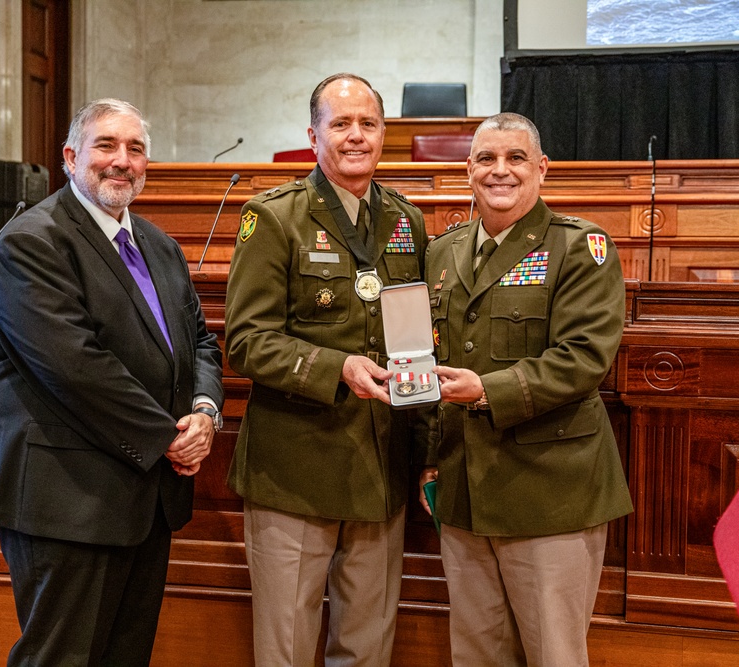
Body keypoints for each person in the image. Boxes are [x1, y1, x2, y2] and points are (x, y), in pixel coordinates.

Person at [0, 98, 225, 666]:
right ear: (71, 156)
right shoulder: (34, 241)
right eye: (106, 145)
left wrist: (205, 411)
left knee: (125, 655)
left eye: (135, 149)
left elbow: (200, 342)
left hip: (145, 497)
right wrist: (168, 437)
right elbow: (74, 368)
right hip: (67, 497)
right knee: (62, 658)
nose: (121, 161)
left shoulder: (160, 246)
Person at [224, 73, 430, 666]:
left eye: (367, 124)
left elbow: (412, 333)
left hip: (379, 469)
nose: (356, 136)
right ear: (312, 135)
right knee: (285, 648)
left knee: (366, 648)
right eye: (341, 124)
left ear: (384, 133)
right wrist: (336, 367)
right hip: (294, 471)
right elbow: (247, 341)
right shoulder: (274, 218)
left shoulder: (404, 221)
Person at [419, 112, 633, 666]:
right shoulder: (442, 252)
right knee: (477, 655)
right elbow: (431, 360)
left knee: (553, 656)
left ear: (542, 169)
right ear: (468, 170)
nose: (501, 171)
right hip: (464, 486)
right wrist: (428, 459)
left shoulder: (580, 247)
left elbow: (584, 358)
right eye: (486, 159)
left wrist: (486, 390)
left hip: (549, 493)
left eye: (515, 159)